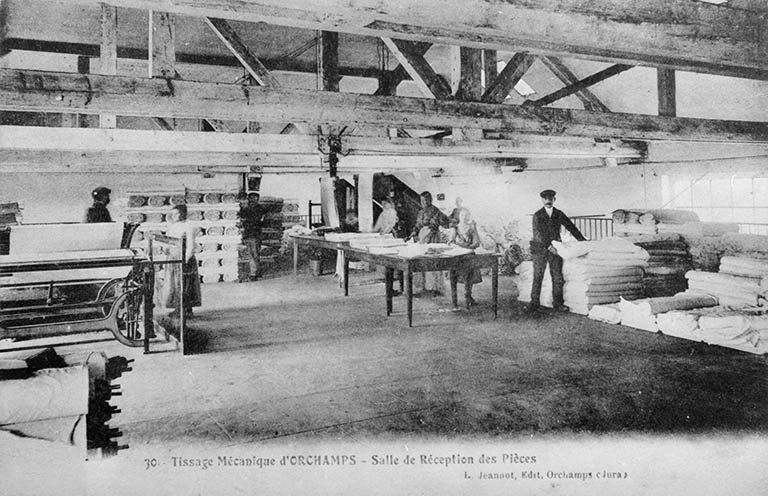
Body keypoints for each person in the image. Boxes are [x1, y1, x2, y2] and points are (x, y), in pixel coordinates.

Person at [527, 189, 586, 314]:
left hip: (555, 248)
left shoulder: (558, 213)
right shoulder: (537, 215)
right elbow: (538, 234)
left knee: (557, 276)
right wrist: (549, 246)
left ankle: (558, 304)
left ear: (554, 199)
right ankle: (534, 303)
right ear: (542, 200)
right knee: (538, 276)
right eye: (545, 198)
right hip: (540, 249)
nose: (548, 201)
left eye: (550, 198)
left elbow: (571, 226)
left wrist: (582, 241)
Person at [162, 204, 201, 318]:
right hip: (173, 258)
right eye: (172, 214)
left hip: (184, 258)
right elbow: (168, 240)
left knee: (185, 283)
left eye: (176, 214)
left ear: (183, 214)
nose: (173, 216)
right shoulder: (172, 226)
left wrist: (186, 259)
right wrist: (166, 249)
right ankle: (179, 307)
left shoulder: (188, 226)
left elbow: (190, 245)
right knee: (174, 283)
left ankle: (185, 309)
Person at [411, 191, 449, 295]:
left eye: (425, 200)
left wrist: (428, 236)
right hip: (422, 237)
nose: (424, 202)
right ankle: (422, 287)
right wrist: (414, 233)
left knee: (433, 262)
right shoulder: (421, 212)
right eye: (422, 200)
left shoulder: (435, 210)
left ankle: (436, 287)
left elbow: (437, 224)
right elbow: (418, 224)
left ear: (430, 200)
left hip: (432, 237)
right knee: (421, 261)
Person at [451, 208, 482, 307]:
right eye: (462, 215)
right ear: (459, 217)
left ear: (469, 216)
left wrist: (468, 246)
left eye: (466, 215)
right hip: (458, 255)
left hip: (469, 254)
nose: (464, 217)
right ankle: (454, 300)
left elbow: (477, 242)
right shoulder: (456, 228)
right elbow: (452, 241)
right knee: (455, 275)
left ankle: (468, 295)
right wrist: (454, 243)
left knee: (470, 275)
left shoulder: (472, 227)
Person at [238, 192, 266, 281]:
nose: (253, 200)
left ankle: (253, 274)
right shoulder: (259, 209)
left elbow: (243, 217)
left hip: (252, 234)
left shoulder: (252, 209)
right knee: (255, 254)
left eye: (255, 199)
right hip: (253, 234)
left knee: (252, 254)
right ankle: (257, 272)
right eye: (252, 199)